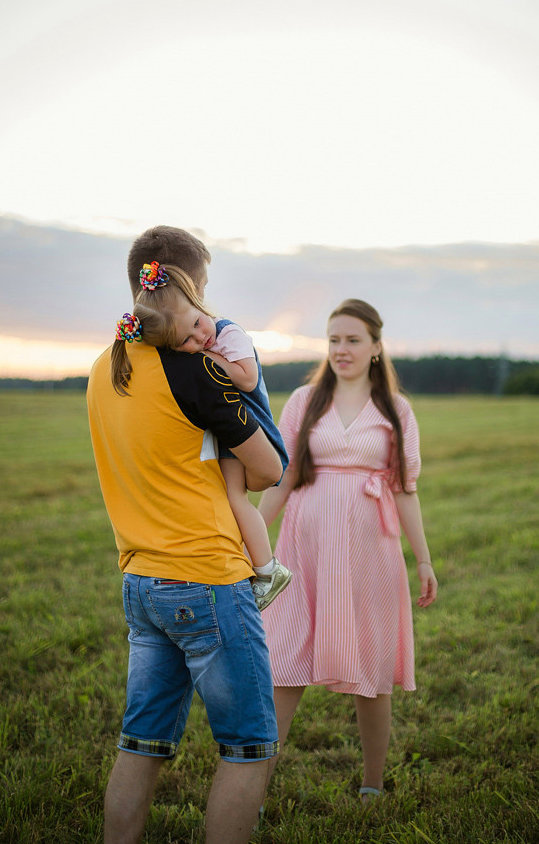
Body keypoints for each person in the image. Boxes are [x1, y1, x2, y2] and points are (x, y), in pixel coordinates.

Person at [87, 225, 284, 844]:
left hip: (140, 580)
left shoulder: (104, 365)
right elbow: (268, 470)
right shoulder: (193, 367)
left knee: (140, 742)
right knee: (249, 746)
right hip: (206, 577)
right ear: (190, 287)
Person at [258, 298, 438, 803]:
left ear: (376, 347)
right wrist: (250, 534)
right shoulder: (304, 401)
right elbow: (283, 476)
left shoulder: (395, 410)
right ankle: (254, 791)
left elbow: (405, 489)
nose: (341, 349)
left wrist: (423, 559)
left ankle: (372, 784)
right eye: (334, 339)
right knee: (284, 663)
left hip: (370, 554)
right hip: (305, 552)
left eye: (353, 340)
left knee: (372, 671)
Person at [114, 259, 292, 610]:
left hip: (250, 425)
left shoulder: (229, 334)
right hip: (229, 431)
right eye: (187, 341)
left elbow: (248, 380)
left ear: (198, 301)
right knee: (228, 498)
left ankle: (267, 570)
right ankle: (255, 566)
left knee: (235, 498)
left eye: (198, 323)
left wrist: (207, 359)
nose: (200, 338)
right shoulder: (195, 345)